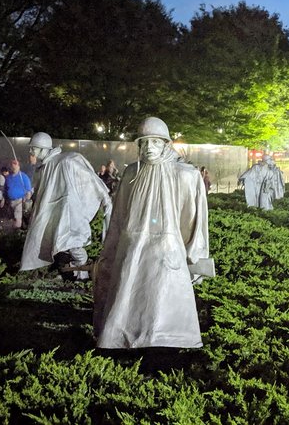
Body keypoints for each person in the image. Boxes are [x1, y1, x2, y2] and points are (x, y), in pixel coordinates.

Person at [93, 116, 211, 349]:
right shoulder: (130, 174)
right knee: (129, 299)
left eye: (154, 142)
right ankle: (123, 341)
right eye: (143, 142)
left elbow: (192, 220)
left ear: (165, 143)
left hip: (167, 250)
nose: (148, 148)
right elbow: (118, 217)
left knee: (163, 302)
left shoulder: (185, 175)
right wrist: (112, 250)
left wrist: (192, 255)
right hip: (132, 247)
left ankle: (165, 344)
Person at [20, 132, 112, 281]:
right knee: (57, 242)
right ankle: (73, 272)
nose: (31, 152)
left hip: (69, 211)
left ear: (44, 149)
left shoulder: (65, 161)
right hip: (53, 212)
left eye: (34, 148)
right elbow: (39, 192)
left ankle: (80, 270)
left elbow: (89, 178)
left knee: (72, 242)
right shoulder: (42, 168)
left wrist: (104, 197)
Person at [5, 159, 32, 229]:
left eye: (15, 164)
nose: (14, 166)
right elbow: (5, 189)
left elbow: (29, 191)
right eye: (12, 164)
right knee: (11, 218)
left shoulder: (24, 177)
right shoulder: (8, 177)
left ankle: (17, 232)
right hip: (10, 201)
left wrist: (26, 201)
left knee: (18, 218)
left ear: (19, 166)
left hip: (20, 201)